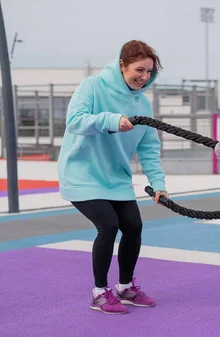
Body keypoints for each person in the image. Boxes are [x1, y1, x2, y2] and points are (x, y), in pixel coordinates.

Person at [57, 40, 169, 315]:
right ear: (122, 65)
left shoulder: (143, 103)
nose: (143, 77)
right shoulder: (92, 87)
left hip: (115, 177)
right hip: (82, 173)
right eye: (139, 70)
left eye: (149, 72)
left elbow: (149, 147)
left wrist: (159, 183)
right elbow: (75, 121)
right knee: (108, 225)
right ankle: (99, 293)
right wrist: (110, 120)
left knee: (133, 225)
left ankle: (125, 287)